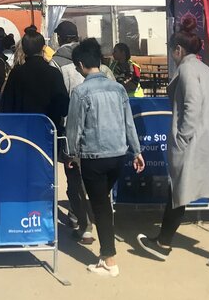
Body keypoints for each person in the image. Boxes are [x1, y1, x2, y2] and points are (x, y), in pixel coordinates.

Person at [137, 17, 209, 270]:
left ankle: (163, 244)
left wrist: (181, 137)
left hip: (197, 143)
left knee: (179, 191)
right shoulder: (205, 69)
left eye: (171, 50)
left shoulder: (186, 70)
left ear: (178, 50)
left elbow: (192, 105)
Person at [65, 38, 145, 277]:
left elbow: (74, 127)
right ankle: (107, 254)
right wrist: (137, 150)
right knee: (103, 203)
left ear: (80, 64)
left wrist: (71, 153)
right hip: (118, 154)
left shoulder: (81, 91)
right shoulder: (118, 88)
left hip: (94, 156)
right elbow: (128, 122)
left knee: (99, 206)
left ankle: (109, 259)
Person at [49, 20, 94, 244]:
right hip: (96, 126)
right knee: (93, 175)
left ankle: (81, 221)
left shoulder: (56, 63)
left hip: (70, 126)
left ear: (60, 38)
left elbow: (55, 96)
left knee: (73, 174)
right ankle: (90, 218)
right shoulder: (93, 59)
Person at [0, 30, 69, 131]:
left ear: (23, 48)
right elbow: (64, 107)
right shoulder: (54, 73)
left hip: (22, 132)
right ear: (43, 47)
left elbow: (6, 106)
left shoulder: (16, 73)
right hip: (48, 131)